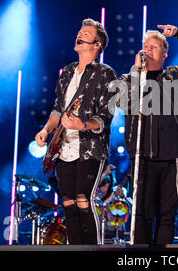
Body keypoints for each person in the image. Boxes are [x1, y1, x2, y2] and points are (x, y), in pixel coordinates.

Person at [116, 24, 178, 244]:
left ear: (165, 54)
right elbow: (122, 102)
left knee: (167, 216)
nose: (148, 50)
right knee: (141, 215)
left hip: (172, 155)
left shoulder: (175, 74)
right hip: (141, 157)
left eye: (154, 47)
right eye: (145, 46)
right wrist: (137, 71)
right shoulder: (129, 77)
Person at [35, 18, 117, 245]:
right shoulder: (68, 72)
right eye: (79, 32)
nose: (79, 36)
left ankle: (93, 249)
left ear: (97, 44)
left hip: (90, 147)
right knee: (68, 202)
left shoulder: (106, 73)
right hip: (63, 147)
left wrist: (82, 125)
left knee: (83, 199)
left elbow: (106, 115)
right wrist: (46, 130)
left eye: (85, 34)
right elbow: (58, 108)